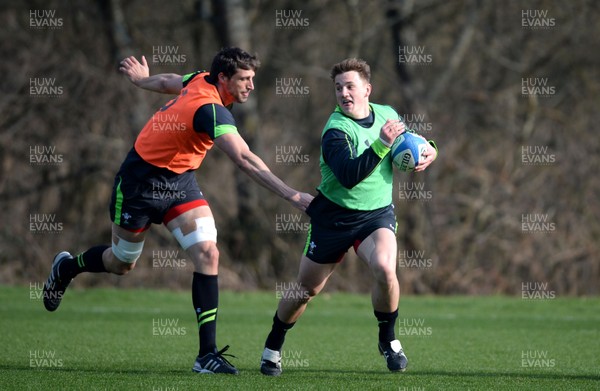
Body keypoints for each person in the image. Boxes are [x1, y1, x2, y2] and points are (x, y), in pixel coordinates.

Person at [42, 47, 313, 375]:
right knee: (121, 262)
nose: (251, 85)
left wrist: (143, 80)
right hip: (139, 182)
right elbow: (243, 159)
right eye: (245, 79)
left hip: (179, 184)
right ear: (224, 78)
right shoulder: (211, 110)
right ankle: (68, 268)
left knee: (208, 254)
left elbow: (173, 80)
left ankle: (206, 355)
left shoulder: (201, 78)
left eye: (253, 78)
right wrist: (291, 195)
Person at [259, 58, 438, 376]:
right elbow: (348, 176)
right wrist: (383, 143)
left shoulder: (388, 115)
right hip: (333, 219)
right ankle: (273, 345)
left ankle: (388, 340)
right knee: (306, 290)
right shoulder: (335, 131)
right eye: (338, 87)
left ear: (367, 89)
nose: (344, 92)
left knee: (385, 268)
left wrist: (431, 150)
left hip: (376, 216)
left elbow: (411, 142)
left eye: (350, 86)